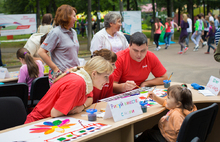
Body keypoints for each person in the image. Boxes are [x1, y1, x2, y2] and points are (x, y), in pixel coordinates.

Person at [25, 56, 114, 123]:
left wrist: (81, 107)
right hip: (39, 122)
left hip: (50, 121)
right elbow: (55, 113)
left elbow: (89, 99)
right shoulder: (78, 83)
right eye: (105, 77)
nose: (107, 81)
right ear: (94, 73)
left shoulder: (85, 79)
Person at [38, 4, 80, 85]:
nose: (76, 19)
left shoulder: (73, 32)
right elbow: (41, 52)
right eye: (74, 16)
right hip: (62, 75)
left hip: (74, 74)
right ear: (66, 17)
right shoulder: (56, 32)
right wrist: (55, 69)